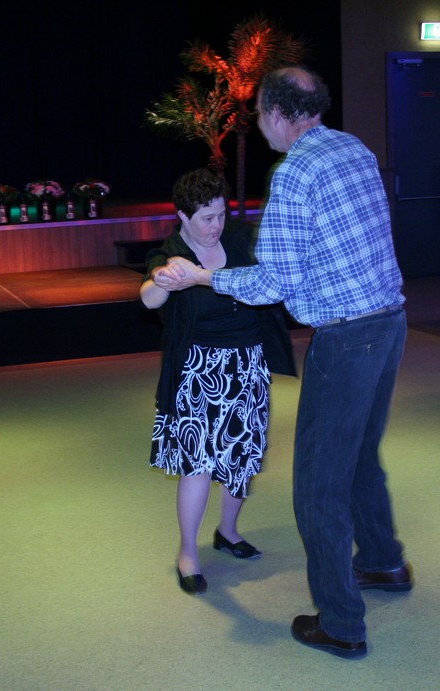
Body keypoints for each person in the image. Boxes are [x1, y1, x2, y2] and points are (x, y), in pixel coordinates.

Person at [154, 66, 410, 659]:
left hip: (346, 339)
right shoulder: (354, 148)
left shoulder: (295, 171)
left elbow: (273, 282)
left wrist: (203, 276)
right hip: (390, 324)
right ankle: (382, 561)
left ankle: (341, 624)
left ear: (274, 112)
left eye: (258, 114)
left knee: (318, 487)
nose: (259, 124)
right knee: (360, 456)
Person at [140, 168, 295, 596]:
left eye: (221, 215)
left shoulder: (240, 238)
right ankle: (188, 552)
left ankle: (227, 531)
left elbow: (271, 277)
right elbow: (149, 297)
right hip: (197, 372)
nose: (216, 226)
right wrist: (162, 279)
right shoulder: (170, 253)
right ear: (183, 216)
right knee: (198, 464)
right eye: (206, 218)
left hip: (248, 364)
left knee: (242, 457)